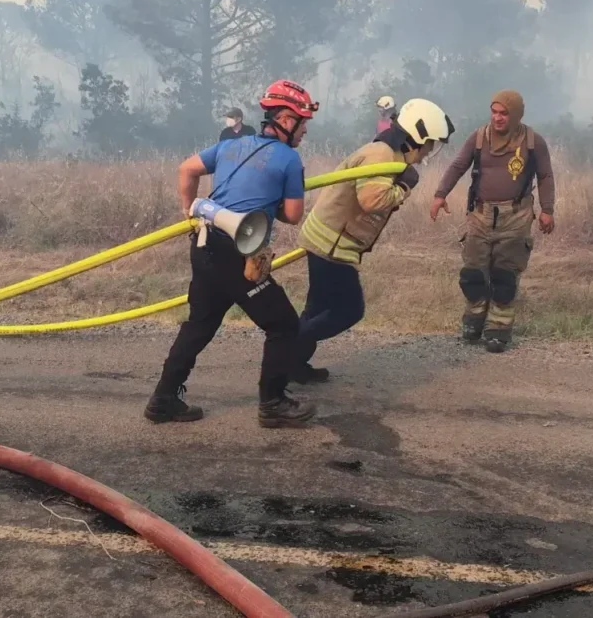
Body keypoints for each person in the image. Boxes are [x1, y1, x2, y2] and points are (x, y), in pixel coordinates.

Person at [144, 80, 319, 429]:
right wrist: (272, 202)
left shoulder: (231, 145)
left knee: (200, 324)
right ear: (286, 120)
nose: (304, 132)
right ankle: (273, 403)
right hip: (237, 252)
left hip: (205, 244)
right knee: (284, 324)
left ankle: (163, 400)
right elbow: (293, 214)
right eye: (302, 124)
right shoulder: (289, 159)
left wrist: (188, 210)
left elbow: (186, 169)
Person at [293, 99, 454, 383]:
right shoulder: (382, 156)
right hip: (333, 245)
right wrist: (403, 187)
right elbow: (373, 200)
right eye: (430, 144)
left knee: (318, 308)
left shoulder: (388, 152)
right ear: (417, 136)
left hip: (327, 239)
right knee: (349, 310)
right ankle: (285, 349)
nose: (430, 151)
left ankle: (292, 364)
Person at [430, 90, 556, 353]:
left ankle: (498, 330)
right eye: (494, 112)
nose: (497, 118)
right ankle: (474, 321)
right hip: (480, 215)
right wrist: (440, 195)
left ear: (516, 115)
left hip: (516, 216)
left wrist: (547, 210)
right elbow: (458, 166)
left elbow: (545, 175)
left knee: (504, 277)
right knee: (472, 274)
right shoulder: (478, 138)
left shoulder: (533, 142)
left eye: (504, 113)